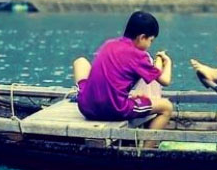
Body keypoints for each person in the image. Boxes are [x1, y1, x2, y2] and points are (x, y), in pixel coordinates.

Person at [73, 11, 173, 148]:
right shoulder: (139, 55)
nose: (150, 44)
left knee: (81, 62)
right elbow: (165, 80)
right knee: (167, 107)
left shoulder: (109, 44)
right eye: (151, 40)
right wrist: (167, 61)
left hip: (86, 106)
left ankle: (80, 95)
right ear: (142, 37)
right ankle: (146, 151)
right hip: (114, 109)